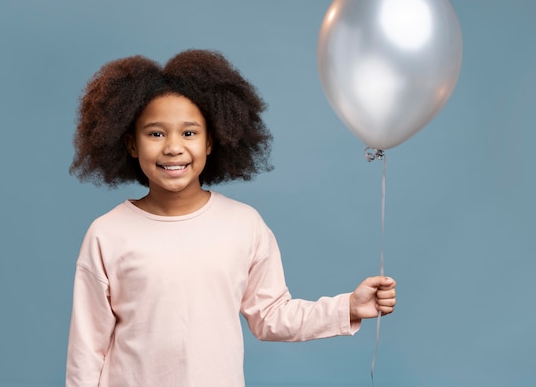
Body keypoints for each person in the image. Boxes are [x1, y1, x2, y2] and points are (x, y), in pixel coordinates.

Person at [66, 49, 396, 387]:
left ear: (211, 141)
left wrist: (349, 307)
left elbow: (271, 316)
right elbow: (87, 349)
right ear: (131, 144)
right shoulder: (107, 234)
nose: (173, 147)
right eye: (155, 133)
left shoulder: (243, 225)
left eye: (189, 133)